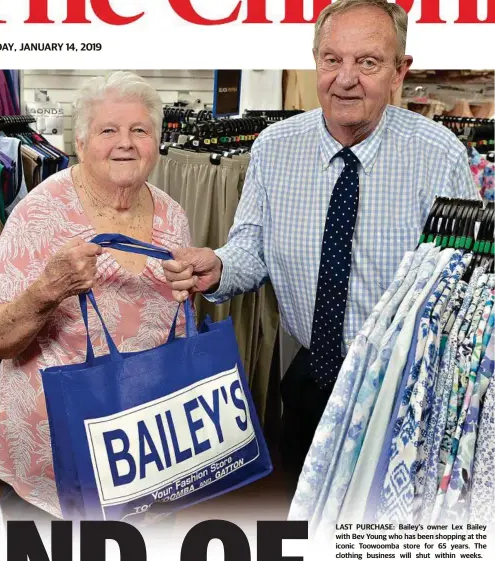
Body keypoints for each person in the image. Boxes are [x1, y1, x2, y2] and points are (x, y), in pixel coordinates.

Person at [162, 0, 480, 491]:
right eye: (332, 59)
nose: (345, 78)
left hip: (400, 388)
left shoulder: (439, 156)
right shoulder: (274, 146)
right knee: (304, 510)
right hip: (310, 376)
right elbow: (252, 248)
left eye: (368, 62)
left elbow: (463, 288)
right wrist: (220, 266)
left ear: (400, 72)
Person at [0, 71, 192, 518]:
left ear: (157, 142)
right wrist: (48, 290)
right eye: (109, 130)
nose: (125, 143)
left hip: (141, 455)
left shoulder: (172, 213)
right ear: (83, 142)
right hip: (50, 465)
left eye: (139, 130)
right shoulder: (41, 210)